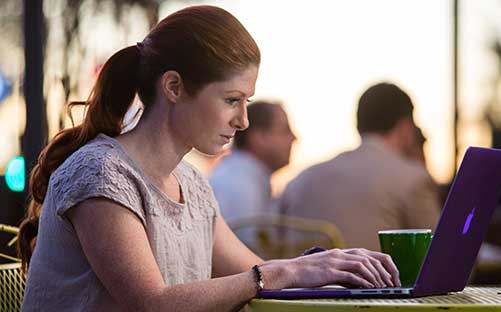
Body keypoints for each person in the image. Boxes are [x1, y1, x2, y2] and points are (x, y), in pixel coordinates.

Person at [17, 6, 400, 311]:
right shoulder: (99, 174)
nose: (243, 120)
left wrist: (332, 269)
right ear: (174, 87)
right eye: (232, 100)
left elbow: (255, 277)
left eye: (246, 101)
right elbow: (152, 304)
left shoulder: (192, 185)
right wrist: (285, 271)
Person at [280, 82, 441, 252]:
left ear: (359, 126)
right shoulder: (412, 179)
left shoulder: (300, 180)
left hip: (301, 278)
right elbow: (442, 256)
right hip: (371, 278)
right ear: (405, 127)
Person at [209, 101, 296, 249]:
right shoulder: (238, 185)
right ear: (259, 137)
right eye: (285, 130)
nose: (294, 138)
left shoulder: (243, 178)